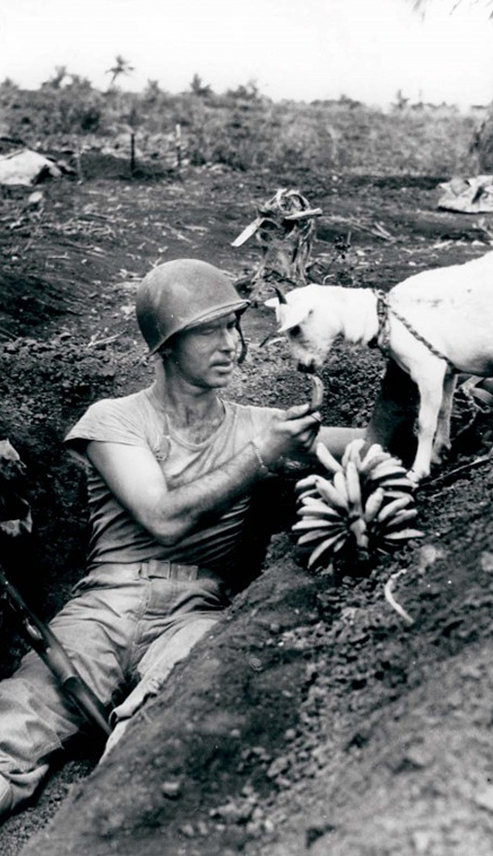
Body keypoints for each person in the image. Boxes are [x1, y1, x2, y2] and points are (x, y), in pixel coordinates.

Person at [0, 258, 362, 819]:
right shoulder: (115, 420)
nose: (231, 345)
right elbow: (163, 517)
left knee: (162, 735)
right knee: (14, 727)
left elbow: (376, 446)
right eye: (209, 331)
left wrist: (415, 378)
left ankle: (99, 827)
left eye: (233, 326)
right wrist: (261, 456)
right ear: (167, 346)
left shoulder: (261, 425)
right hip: (105, 607)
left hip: (198, 612)